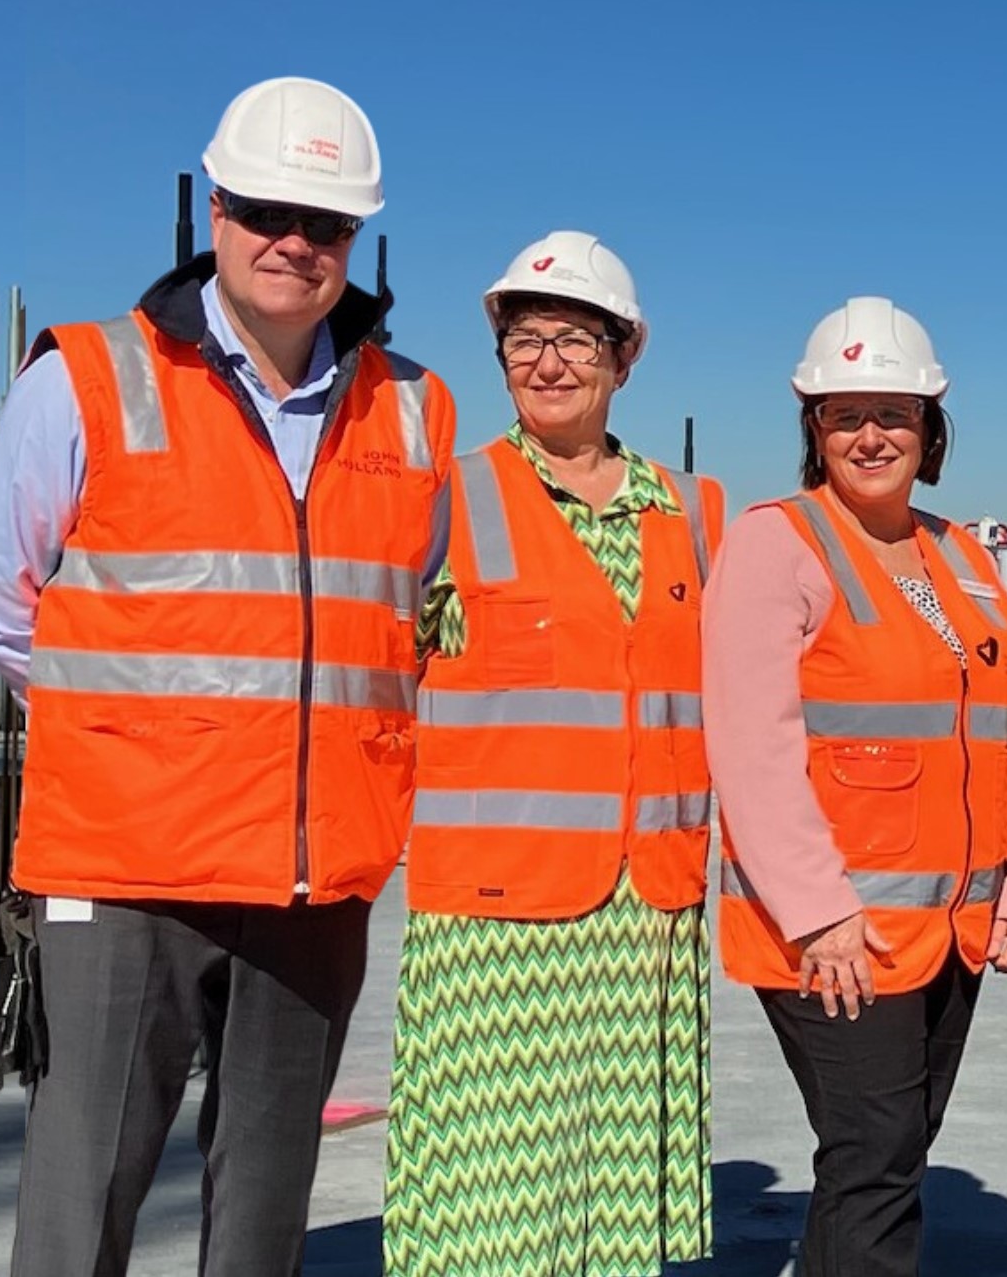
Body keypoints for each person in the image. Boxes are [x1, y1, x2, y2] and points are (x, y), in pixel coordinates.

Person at [0, 76, 453, 1276]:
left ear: (354, 239)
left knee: (265, 1213)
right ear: (217, 211)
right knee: (84, 1198)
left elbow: (402, 628)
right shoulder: (86, 377)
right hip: (127, 873)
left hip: (311, 880)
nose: (294, 242)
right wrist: (124, 732)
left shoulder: (416, 409)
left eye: (324, 222)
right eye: (268, 209)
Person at [382, 233, 722, 1274]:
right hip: (491, 922)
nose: (549, 363)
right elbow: (375, 674)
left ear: (624, 358)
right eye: (524, 340)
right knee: (488, 1211)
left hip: (643, 914)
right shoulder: (447, 495)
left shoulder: (696, 515)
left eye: (576, 338)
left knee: (611, 1214)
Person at [703, 296, 1007, 1277]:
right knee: (877, 1161)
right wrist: (818, 914)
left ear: (930, 429)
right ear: (813, 428)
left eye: (893, 414)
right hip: (835, 931)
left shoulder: (968, 558)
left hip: (951, 928)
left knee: (882, 1156)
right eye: (844, 413)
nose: (869, 434)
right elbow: (752, 745)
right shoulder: (780, 543)